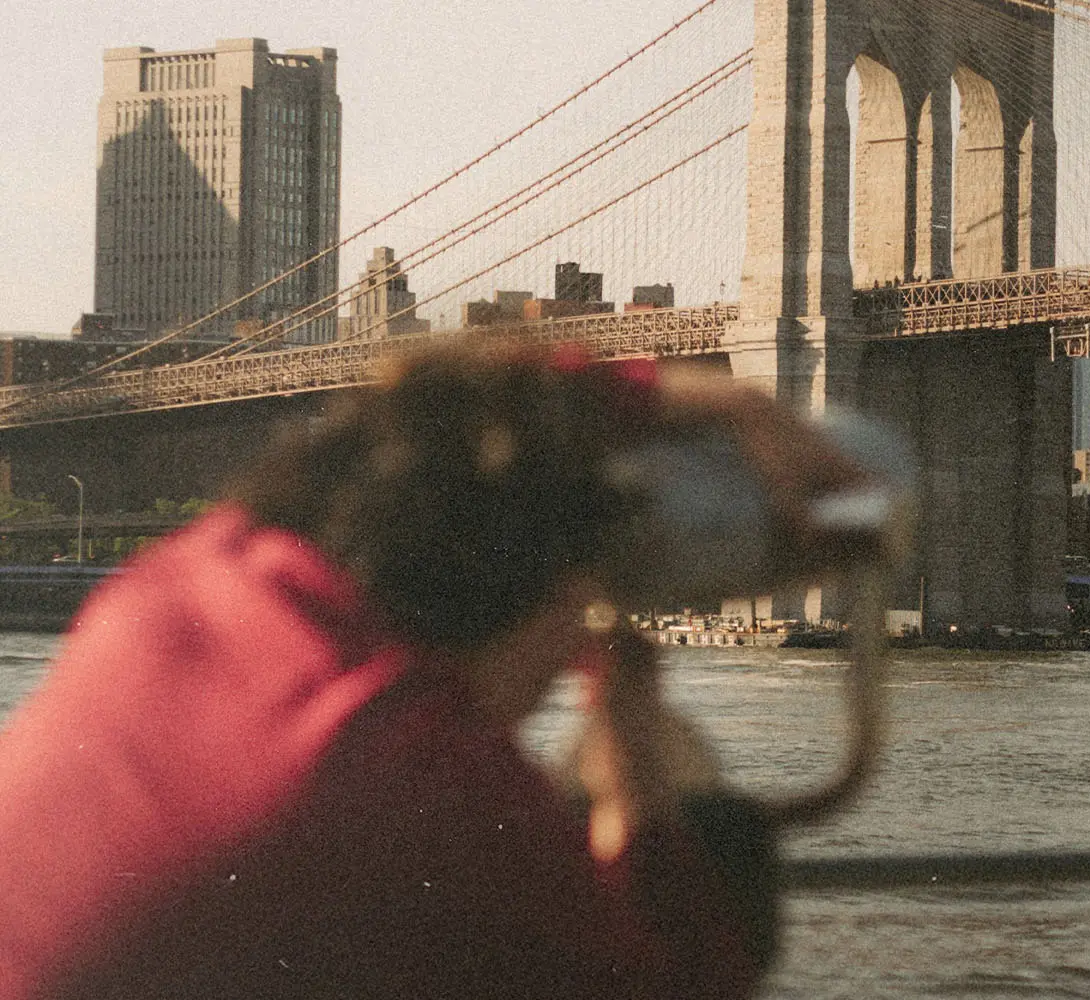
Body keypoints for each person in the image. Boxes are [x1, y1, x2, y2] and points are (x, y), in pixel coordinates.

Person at [0, 340, 877, 999]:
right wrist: (635, 763)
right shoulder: (421, 781)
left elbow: (412, 413)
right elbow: (684, 978)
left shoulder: (198, 568)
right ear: (554, 588)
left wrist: (726, 406)